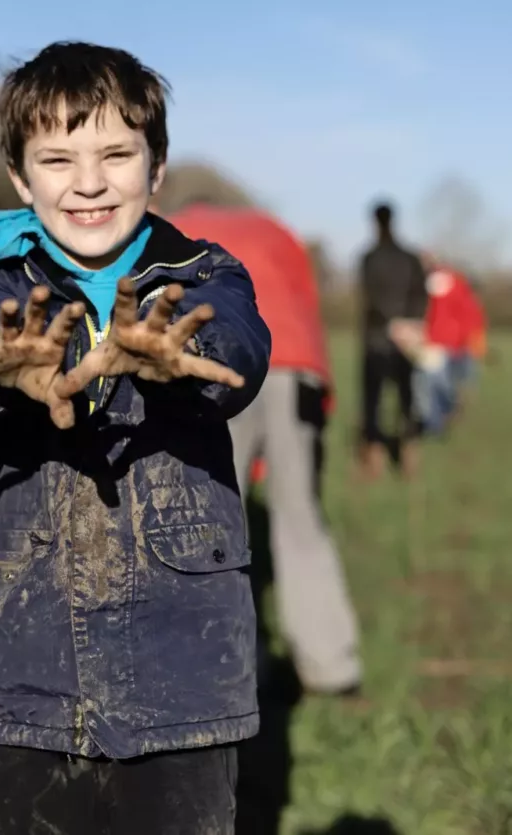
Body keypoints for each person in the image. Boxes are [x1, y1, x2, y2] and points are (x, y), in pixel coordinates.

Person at [0, 42, 271, 834]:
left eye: (117, 154)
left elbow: (240, 344)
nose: (88, 182)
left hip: (186, 677)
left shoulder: (204, 274)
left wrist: (182, 351)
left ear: (156, 167)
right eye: (56, 159)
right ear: (21, 178)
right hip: (31, 675)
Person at [169, 201, 362, 697]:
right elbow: (308, 307)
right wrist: (326, 393)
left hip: (220, 366)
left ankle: (225, 664)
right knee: (301, 516)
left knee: (211, 521)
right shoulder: (279, 231)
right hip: (298, 368)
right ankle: (331, 665)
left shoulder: (176, 228)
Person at [357, 201, 428, 479]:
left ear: (375, 221)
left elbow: (370, 299)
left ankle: (375, 458)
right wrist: (410, 324)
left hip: (376, 340)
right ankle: (409, 455)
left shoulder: (368, 258)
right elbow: (421, 296)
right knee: (406, 398)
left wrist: (392, 323)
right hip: (406, 340)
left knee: (373, 401)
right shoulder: (410, 258)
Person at [413, 254, 485, 436]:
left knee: (432, 384)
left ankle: (436, 422)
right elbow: (469, 313)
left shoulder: (440, 282)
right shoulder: (456, 283)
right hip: (444, 342)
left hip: (439, 342)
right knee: (435, 384)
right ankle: (442, 415)